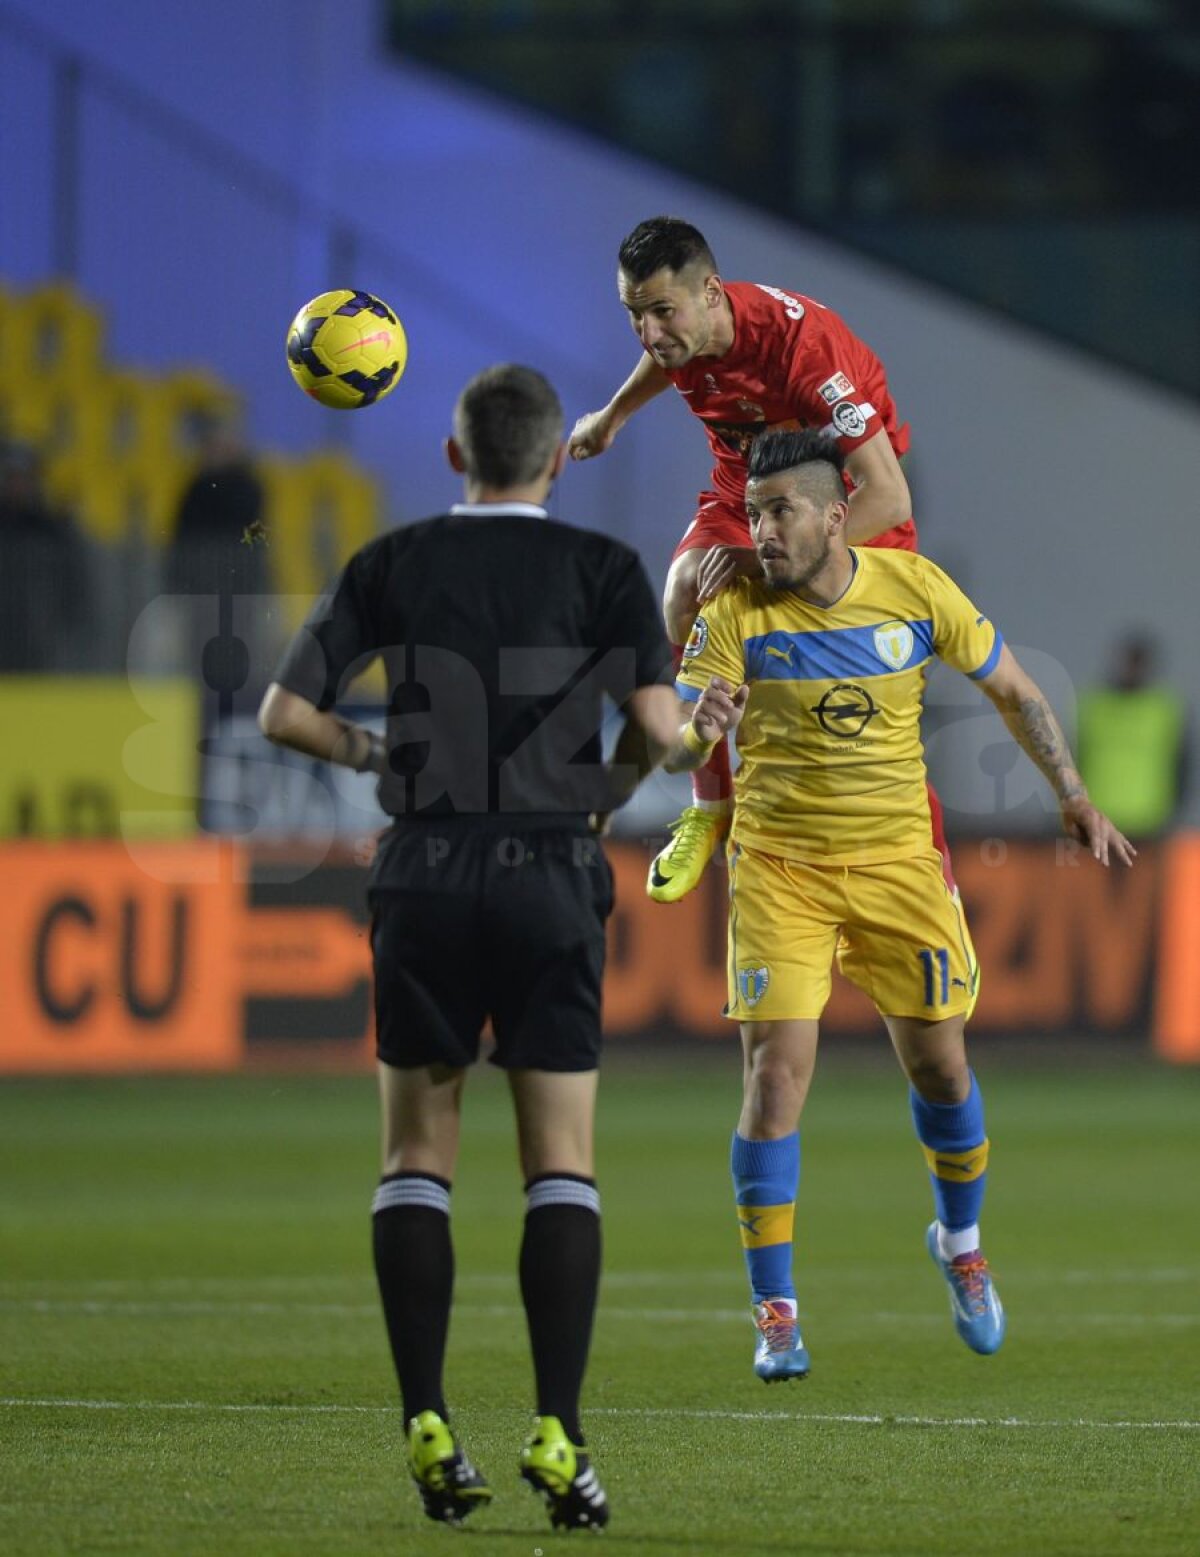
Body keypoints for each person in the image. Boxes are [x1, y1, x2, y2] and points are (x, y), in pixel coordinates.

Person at [258, 365, 686, 1530]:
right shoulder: (602, 568)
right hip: (549, 872)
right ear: (554, 461)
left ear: (456, 457)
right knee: (560, 1163)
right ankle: (559, 1431)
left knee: (415, 1156)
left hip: (426, 872)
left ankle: (428, 1421)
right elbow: (661, 731)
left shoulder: (393, 561)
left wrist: (370, 756)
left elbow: (283, 713)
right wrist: (611, 789)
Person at [667, 428, 1134, 1382]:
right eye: (752, 513)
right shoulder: (733, 610)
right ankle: (776, 1313)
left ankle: (960, 1244)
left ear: (837, 515)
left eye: (780, 511)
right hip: (781, 870)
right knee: (774, 1082)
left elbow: (1014, 689)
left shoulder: (916, 590)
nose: (761, 531)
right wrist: (697, 731)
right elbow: (678, 740)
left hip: (898, 868)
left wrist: (1074, 794)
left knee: (942, 1071)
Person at [570, 215, 930, 905]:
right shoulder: (684, 334)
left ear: (711, 293)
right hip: (751, 490)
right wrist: (614, 416)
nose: (649, 333)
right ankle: (711, 806)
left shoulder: (805, 353)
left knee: (870, 713)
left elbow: (888, 495)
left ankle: (931, 873)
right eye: (634, 314)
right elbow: (665, 358)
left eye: (661, 311)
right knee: (684, 592)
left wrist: (771, 565)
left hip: (844, 501)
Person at [1075, 632, 1187, 838]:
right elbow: (1072, 760)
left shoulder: (1165, 709)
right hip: (1099, 818)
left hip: (1151, 820)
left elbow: (1181, 765)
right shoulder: (1093, 706)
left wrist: (1175, 813)